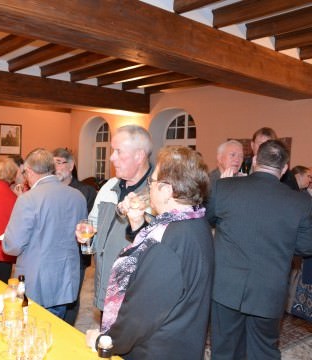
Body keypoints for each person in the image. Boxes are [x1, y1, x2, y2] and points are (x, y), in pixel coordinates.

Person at [86, 146, 213, 359]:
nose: (149, 188)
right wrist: (137, 224)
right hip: (182, 341)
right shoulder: (196, 221)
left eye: (152, 182)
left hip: (157, 349)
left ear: (167, 190)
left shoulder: (170, 243)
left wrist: (106, 341)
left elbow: (140, 314)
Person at [207, 140, 312, 359]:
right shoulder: (300, 201)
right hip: (268, 291)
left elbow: (208, 219)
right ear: (284, 169)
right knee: (263, 351)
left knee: (224, 351)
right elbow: (305, 247)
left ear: (254, 160)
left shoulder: (224, 187)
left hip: (226, 288)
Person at [2, 149, 88, 319]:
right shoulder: (77, 196)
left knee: (35, 333)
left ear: (31, 171)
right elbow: (82, 235)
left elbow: (12, 246)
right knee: (56, 331)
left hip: (38, 281)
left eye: (25, 172)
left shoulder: (28, 199)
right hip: (66, 278)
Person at [89, 125, 153, 312]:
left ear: (139, 156)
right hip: (105, 288)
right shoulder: (109, 186)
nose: (111, 158)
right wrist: (87, 234)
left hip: (136, 297)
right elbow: (92, 224)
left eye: (118, 151)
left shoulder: (159, 194)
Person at [53, 147, 97, 325]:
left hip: (75, 254)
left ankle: (67, 331)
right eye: (52, 164)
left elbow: (90, 223)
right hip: (52, 251)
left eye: (58, 163)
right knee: (52, 295)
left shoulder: (86, 191)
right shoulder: (49, 190)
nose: (54, 168)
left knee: (70, 297)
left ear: (70, 166)